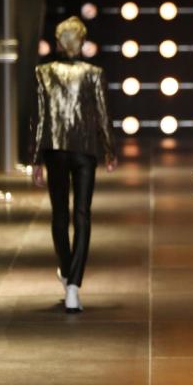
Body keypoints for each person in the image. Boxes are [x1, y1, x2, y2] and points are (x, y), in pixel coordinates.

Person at [31, 16, 116, 312]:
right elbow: (103, 114)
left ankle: (67, 272)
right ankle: (73, 285)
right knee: (82, 214)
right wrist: (109, 149)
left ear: (57, 43)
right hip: (84, 150)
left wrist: (36, 158)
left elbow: (40, 118)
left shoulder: (43, 71)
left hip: (55, 148)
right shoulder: (94, 73)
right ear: (81, 43)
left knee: (59, 214)